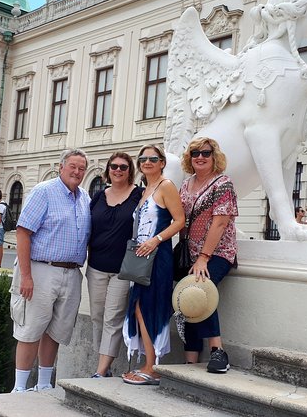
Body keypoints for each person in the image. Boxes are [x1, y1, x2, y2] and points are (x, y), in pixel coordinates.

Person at [10, 149, 91, 392]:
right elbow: (23, 232)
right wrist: (26, 276)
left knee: (56, 332)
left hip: (71, 273)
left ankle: (44, 384)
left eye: (81, 168)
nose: (77, 172)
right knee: (30, 329)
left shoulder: (85, 197)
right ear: (61, 167)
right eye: (73, 167)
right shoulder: (44, 191)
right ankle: (20, 388)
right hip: (40, 270)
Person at [122, 145, 184, 385]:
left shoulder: (165, 186)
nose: (147, 162)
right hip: (142, 258)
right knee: (138, 306)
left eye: (153, 158)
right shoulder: (145, 189)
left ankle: (152, 367)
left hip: (158, 257)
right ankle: (149, 363)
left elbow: (179, 221)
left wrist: (156, 240)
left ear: (161, 163)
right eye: (143, 159)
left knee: (149, 306)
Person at [178, 137, 238, 373]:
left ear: (214, 157)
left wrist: (204, 257)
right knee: (187, 300)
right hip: (190, 254)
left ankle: (218, 351)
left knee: (201, 290)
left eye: (205, 153)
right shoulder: (186, 184)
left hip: (218, 252)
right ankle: (190, 358)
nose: (200, 157)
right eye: (195, 153)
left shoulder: (223, 183)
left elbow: (221, 222)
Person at [87, 152, 142, 378]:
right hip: (96, 267)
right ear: (108, 169)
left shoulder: (139, 195)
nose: (118, 170)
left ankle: (100, 371)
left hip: (123, 270)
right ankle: (104, 366)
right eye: (114, 166)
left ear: (130, 171)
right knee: (97, 317)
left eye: (123, 167)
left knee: (113, 317)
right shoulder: (99, 197)